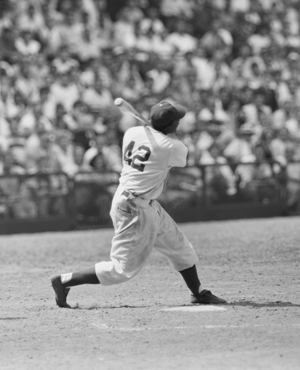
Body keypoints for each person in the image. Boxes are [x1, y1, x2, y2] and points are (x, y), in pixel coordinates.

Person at [50, 101, 226, 307]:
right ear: (170, 127)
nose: (179, 122)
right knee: (121, 270)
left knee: (181, 249)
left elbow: (157, 141)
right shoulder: (171, 146)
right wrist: (170, 136)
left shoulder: (132, 132)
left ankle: (198, 292)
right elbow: (184, 155)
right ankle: (64, 281)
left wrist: (164, 132)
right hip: (134, 208)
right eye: (176, 121)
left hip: (140, 201)